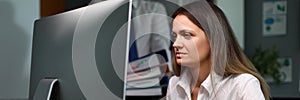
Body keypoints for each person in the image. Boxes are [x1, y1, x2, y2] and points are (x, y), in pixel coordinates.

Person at [166, 1, 270, 100]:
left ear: (214, 39)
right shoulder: (174, 85)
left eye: (187, 35)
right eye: (175, 36)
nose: (176, 44)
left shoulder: (243, 85)